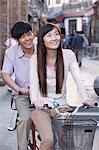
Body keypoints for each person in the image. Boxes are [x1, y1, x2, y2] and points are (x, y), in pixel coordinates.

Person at [29, 23, 96, 150]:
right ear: (42, 40)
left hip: (62, 106)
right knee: (48, 140)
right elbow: (33, 84)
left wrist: (86, 98)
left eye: (56, 34)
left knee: (67, 142)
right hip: (41, 107)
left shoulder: (68, 55)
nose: (54, 38)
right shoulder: (35, 59)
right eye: (49, 35)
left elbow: (77, 78)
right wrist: (35, 100)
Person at [2, 21, 34, 150]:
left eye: (29, 34)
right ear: (17, 40)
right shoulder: (11, 52)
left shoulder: (42, 48)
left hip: (44, 93)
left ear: (33, 33)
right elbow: (5, 74)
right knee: (25, 119)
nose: (27, 39)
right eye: (22, 37)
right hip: (23, 95)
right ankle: (22, 148)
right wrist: (19, 89)